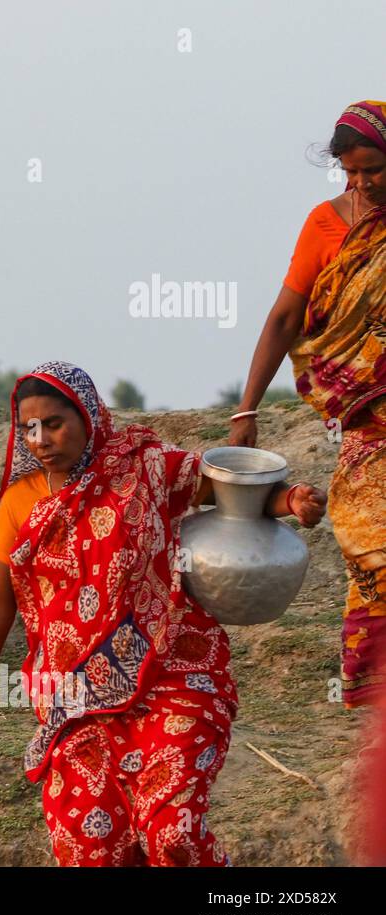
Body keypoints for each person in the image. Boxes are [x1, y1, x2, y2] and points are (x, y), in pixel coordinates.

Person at [0, 362, 326, 866]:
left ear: (89, 416)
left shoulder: (143, 466)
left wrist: (290, 501)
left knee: (173, 837)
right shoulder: (19, 503)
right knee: (93, 850)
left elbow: (232, 497)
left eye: (54, 423)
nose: (40, 439)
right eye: (29, 427)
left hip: (174, 676)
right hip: (74, 702)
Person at [229, 100, 386, 709]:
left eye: (372, 169)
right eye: (350, 173)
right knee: (371, 543)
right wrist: (246, 409)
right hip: (368, 424)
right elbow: (287, 315)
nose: (361, 184)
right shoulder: (325, 224)